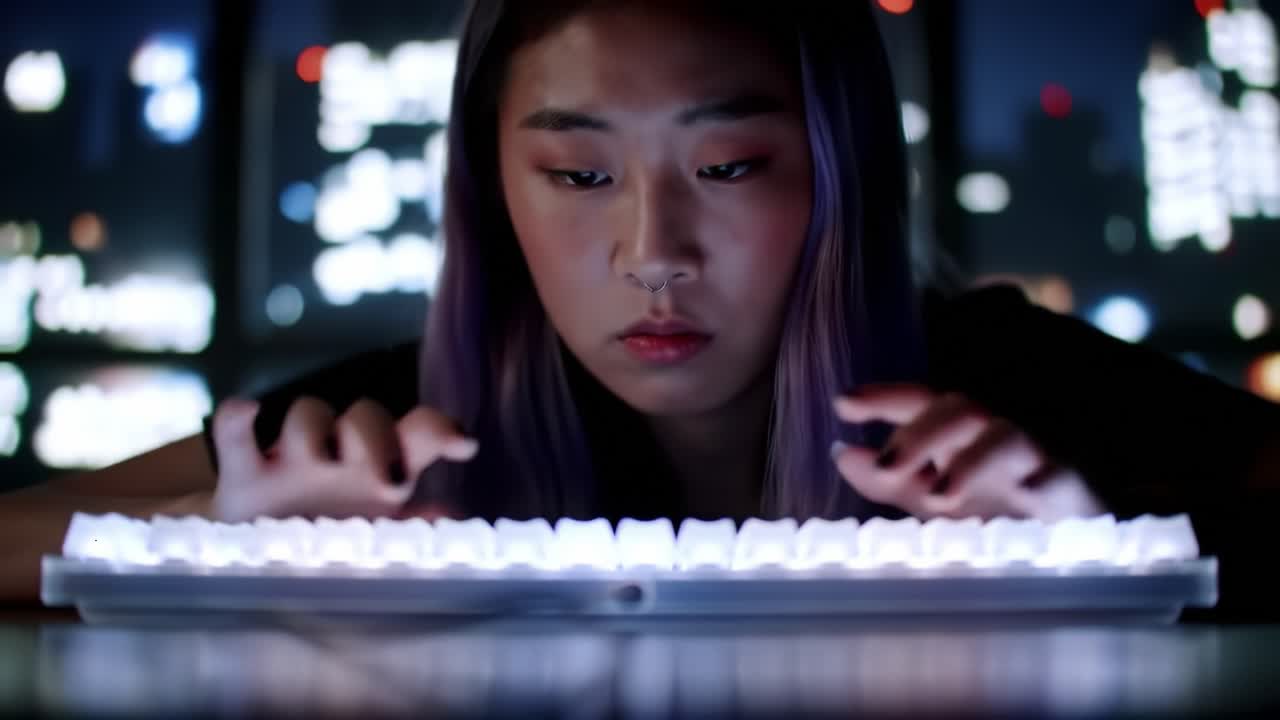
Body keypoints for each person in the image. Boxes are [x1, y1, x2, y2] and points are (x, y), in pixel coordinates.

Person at [2, 0, 1277, 606]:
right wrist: (218, 528)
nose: (650, 251)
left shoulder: (1009, 388)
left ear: (836, 172)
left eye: (725, 168)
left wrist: (1103, 554)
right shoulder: (411, 423)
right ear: (492, 186)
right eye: (576, 174)